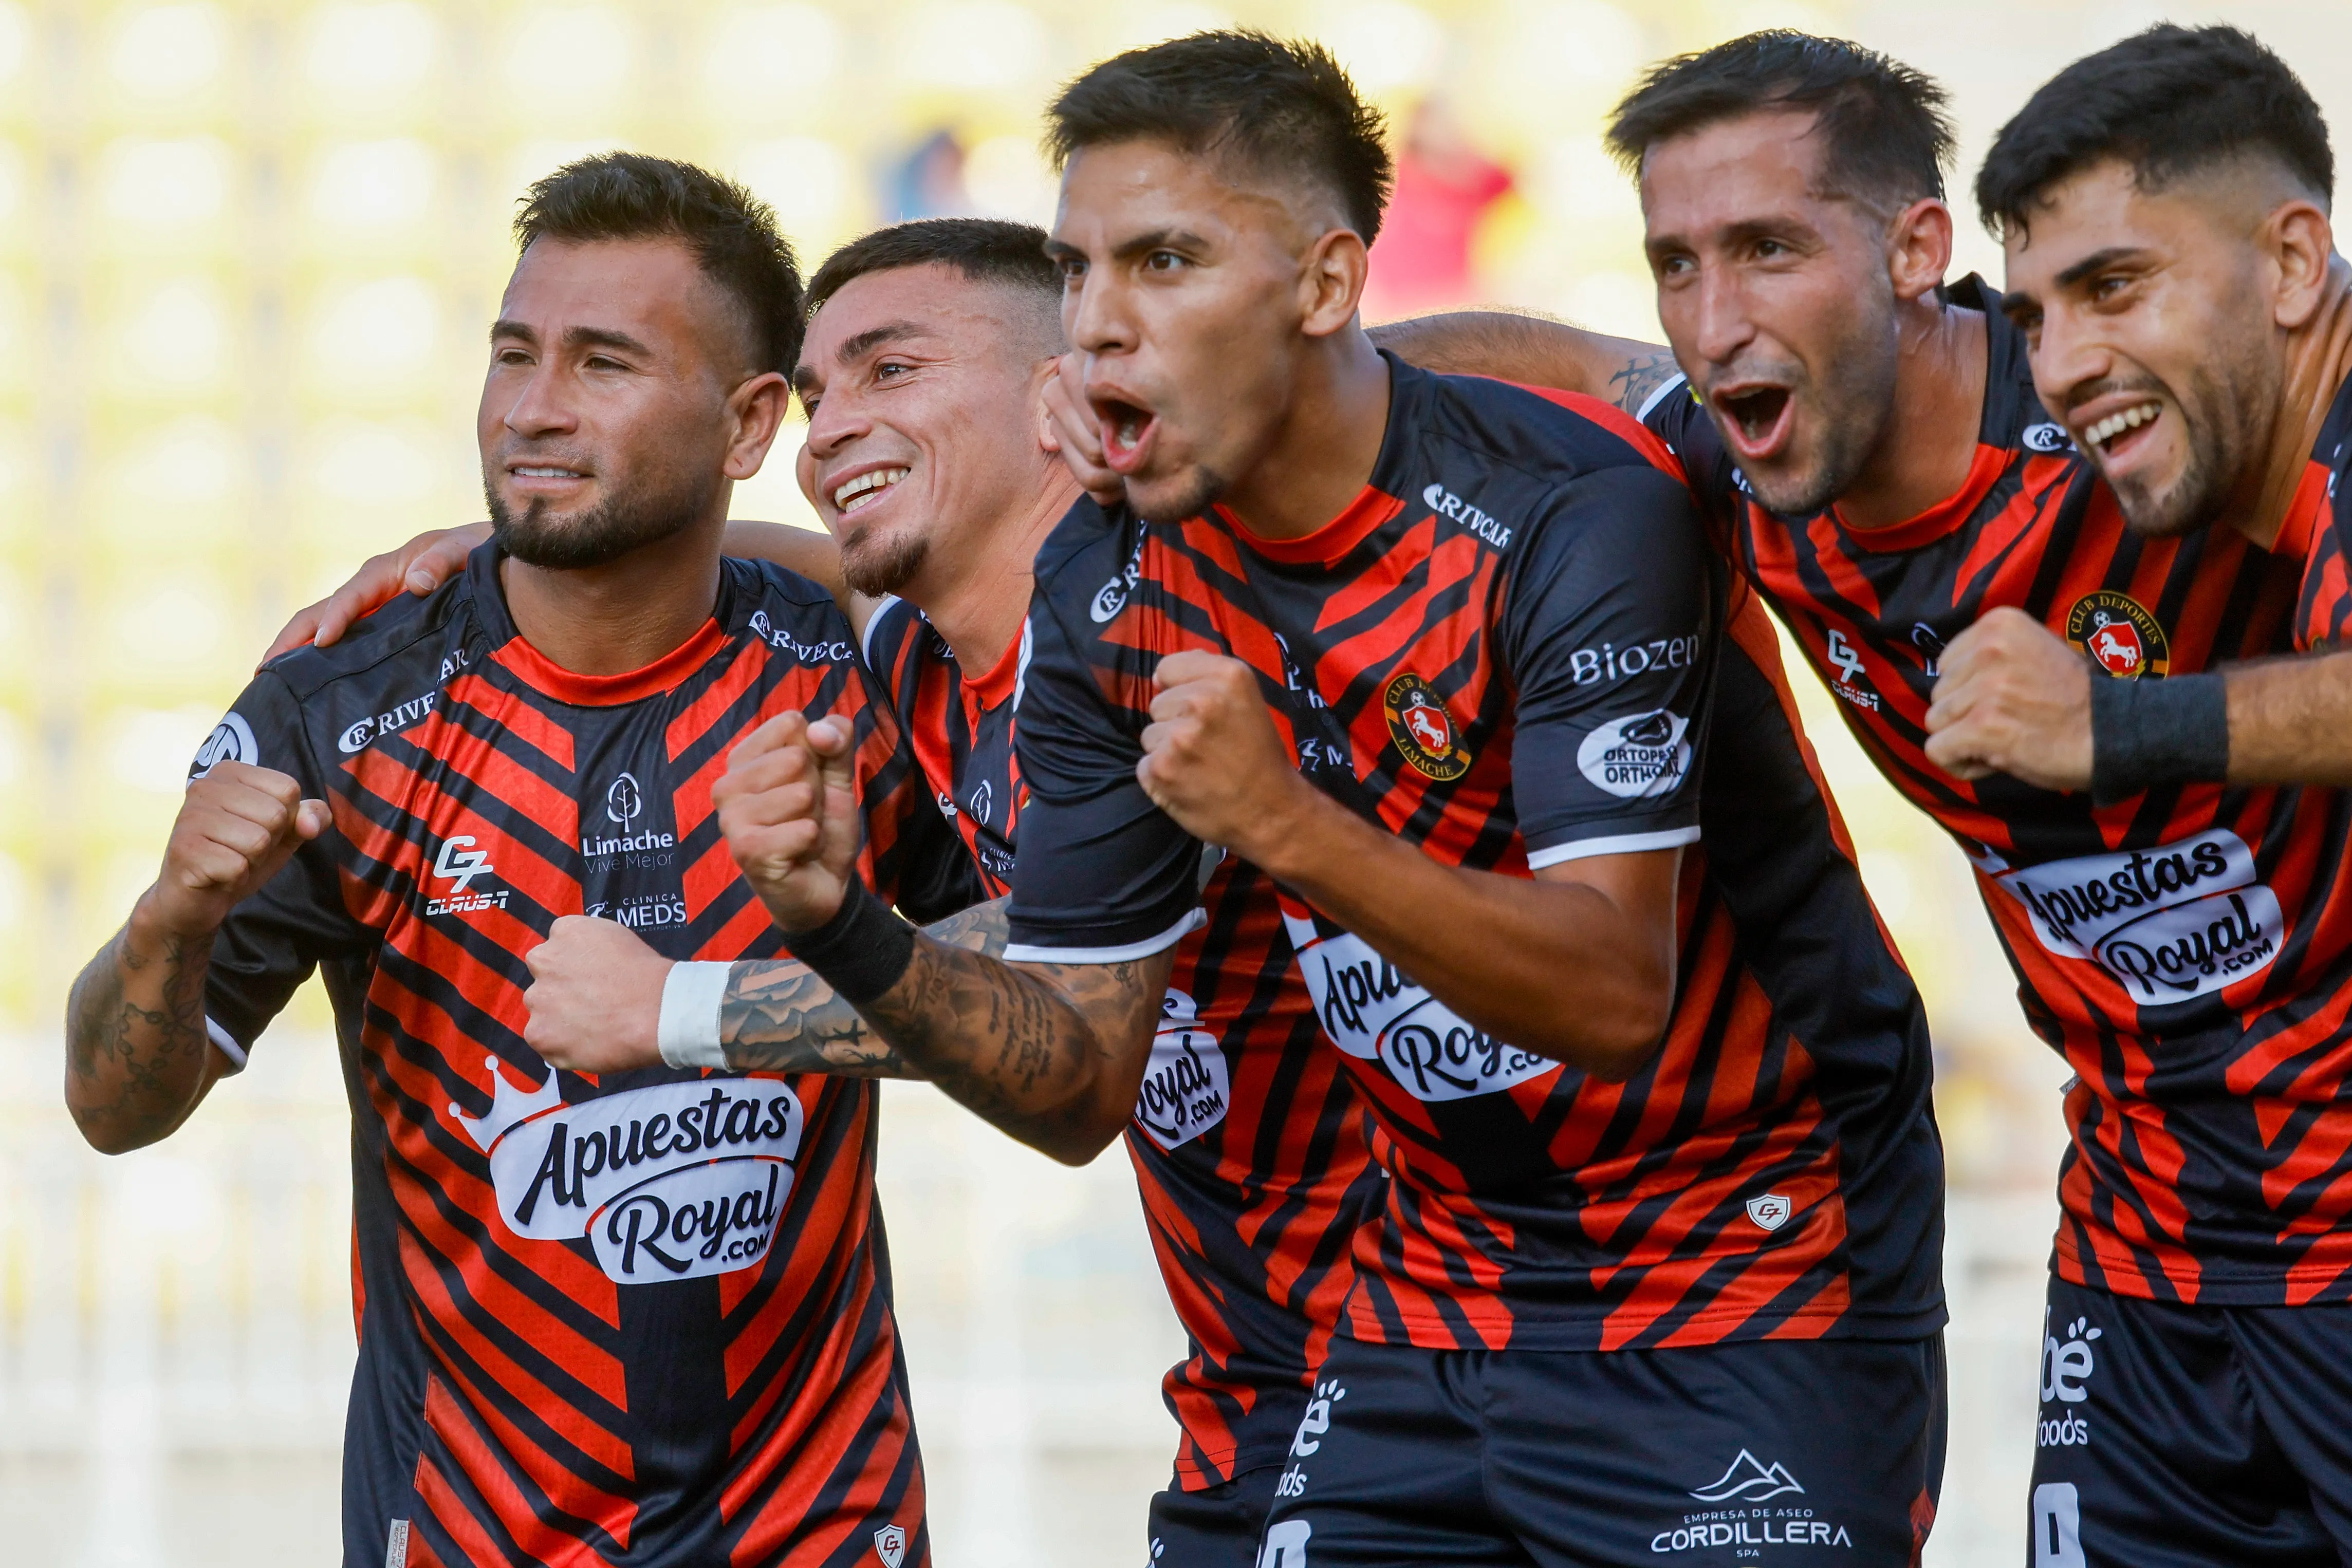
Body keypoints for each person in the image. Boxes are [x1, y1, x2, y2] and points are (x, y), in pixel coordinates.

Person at [720, 31, 1947, 1565]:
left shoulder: (1575, 513)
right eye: (1084, 269)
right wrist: (838, 923)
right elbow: (1085, 1073)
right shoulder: (1114, 586)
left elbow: (1617, 984)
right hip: (1426, 1296)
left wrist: (1284, 820)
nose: (1103, 325)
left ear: (1323, 283)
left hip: (1740, 1267)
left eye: (1163, 261)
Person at [1264, 25, 2352, 1564]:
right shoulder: (1742, 454)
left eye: (1768, 250)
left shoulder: (2140, 416)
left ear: (1918, 250)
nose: (1717, 320)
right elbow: (1552, 370)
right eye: (1681, 262)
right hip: (2149, 1239)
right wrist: (1260, 377)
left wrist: (2120, 721)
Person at [285, 214, 1389, 1567]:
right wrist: (530, 541)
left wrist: (683, 1008)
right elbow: (819, 567)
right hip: (1267, 1386)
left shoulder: (1176, 618)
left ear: (1065, 398)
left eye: (889, 371)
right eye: (817, 396)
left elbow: (1067, 1010)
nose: (831, 432)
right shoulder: (924, 669)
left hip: (1473, 1350)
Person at [63, 153, 976, 1567]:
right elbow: (114, 1107)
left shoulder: (860, 675)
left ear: (748, 425)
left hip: (823, 1528)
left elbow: (1059, 1004)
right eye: (513, 354)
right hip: (469, 1533)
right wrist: (172, 920)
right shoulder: (337, 708)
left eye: (603, 362)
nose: (534, 407)